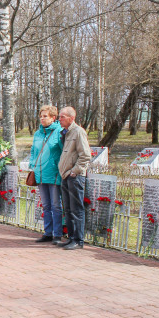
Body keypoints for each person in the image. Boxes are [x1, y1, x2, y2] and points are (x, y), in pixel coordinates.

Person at [55, 107, 91, 251]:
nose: (60, 119)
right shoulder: (67, 132)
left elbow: (85, 155)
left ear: (71, 117)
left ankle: (78, 240)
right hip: (65, 175)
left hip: (74, 177)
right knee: (68, 209)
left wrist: (74, 171)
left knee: (76, 209)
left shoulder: (78, 132)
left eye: (62, 117)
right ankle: (71, 237)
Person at [29, 106, 64, 243]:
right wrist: (33, 164)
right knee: (46, 205)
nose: (42, 119)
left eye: (45, 116)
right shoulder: (38, 133)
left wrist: (59, 166)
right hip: (40, 173)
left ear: (53, 118)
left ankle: (57, 234)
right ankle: (47, 232)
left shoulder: (59, 132)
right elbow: (33, 150)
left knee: (56, 205)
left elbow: (63, 151)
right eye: (41, 116)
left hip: (54, 173)